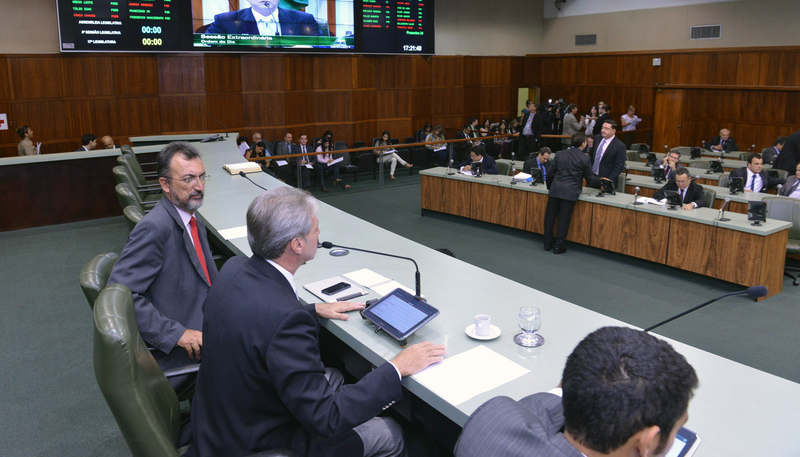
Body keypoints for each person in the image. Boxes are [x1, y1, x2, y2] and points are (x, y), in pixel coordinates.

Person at [188, 188, 445, 457]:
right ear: (297, 245)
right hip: (259, 443)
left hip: (218, 423)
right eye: (315, 229)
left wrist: (312, 309)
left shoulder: (233, 268)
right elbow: (326, 418)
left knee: (334, 376)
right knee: (389, 432)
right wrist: (396, 368)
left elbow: (256, 320)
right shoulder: (287, 321)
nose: (319, 233)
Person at [454, 326, 698, 457]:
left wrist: (580, 382)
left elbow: (538, 407)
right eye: (678, 428)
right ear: (648, 442)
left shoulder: (494, 419)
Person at [108, 142, 216, 392]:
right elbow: (120, 295)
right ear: (165, 184)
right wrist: (176, 334)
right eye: (188, 179)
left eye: (202, 177)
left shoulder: (192, 218)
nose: (199, 186)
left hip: (206, 321)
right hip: (183, 354)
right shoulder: (155, 227)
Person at [543, 133, 597, 254]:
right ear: (583, 144)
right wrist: (603, 182)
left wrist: (551, 187)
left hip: (556, 189)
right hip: (570, 192)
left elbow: (550, 173)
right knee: (563, 220)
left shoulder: (560, 154)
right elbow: (590, 179)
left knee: (550, 218)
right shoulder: (585, 158)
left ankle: (547, 243)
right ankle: (558, 246)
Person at [590, 119, 627, 186]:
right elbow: (591, 156)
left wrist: (608, 181)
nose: (603, 130)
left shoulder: (620, 146)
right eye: (602, 128)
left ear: (613, 131)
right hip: (592, 178)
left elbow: (619, 167)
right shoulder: (597, 138)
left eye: (606, 129)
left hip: (606, 180)